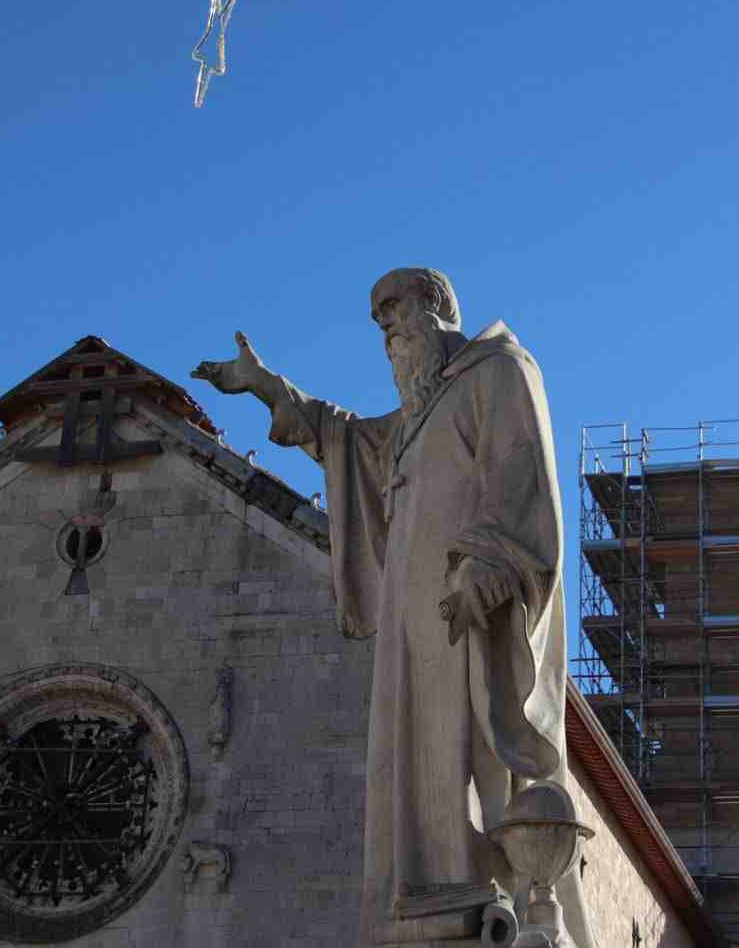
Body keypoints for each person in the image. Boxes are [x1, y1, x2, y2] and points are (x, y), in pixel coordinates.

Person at [193, 268, 592, 945]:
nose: (385, 330)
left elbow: (523, 472)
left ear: (438, 307)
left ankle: (479, 886)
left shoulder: (500, 371)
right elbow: (341, 436)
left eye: (394, 310)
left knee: (467, 747)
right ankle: (419, 893)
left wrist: (489, 566)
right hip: (412, 625)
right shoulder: (414, 420)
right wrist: (265, 385)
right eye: (378, 321)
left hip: (469, 605)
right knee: (411, 754)